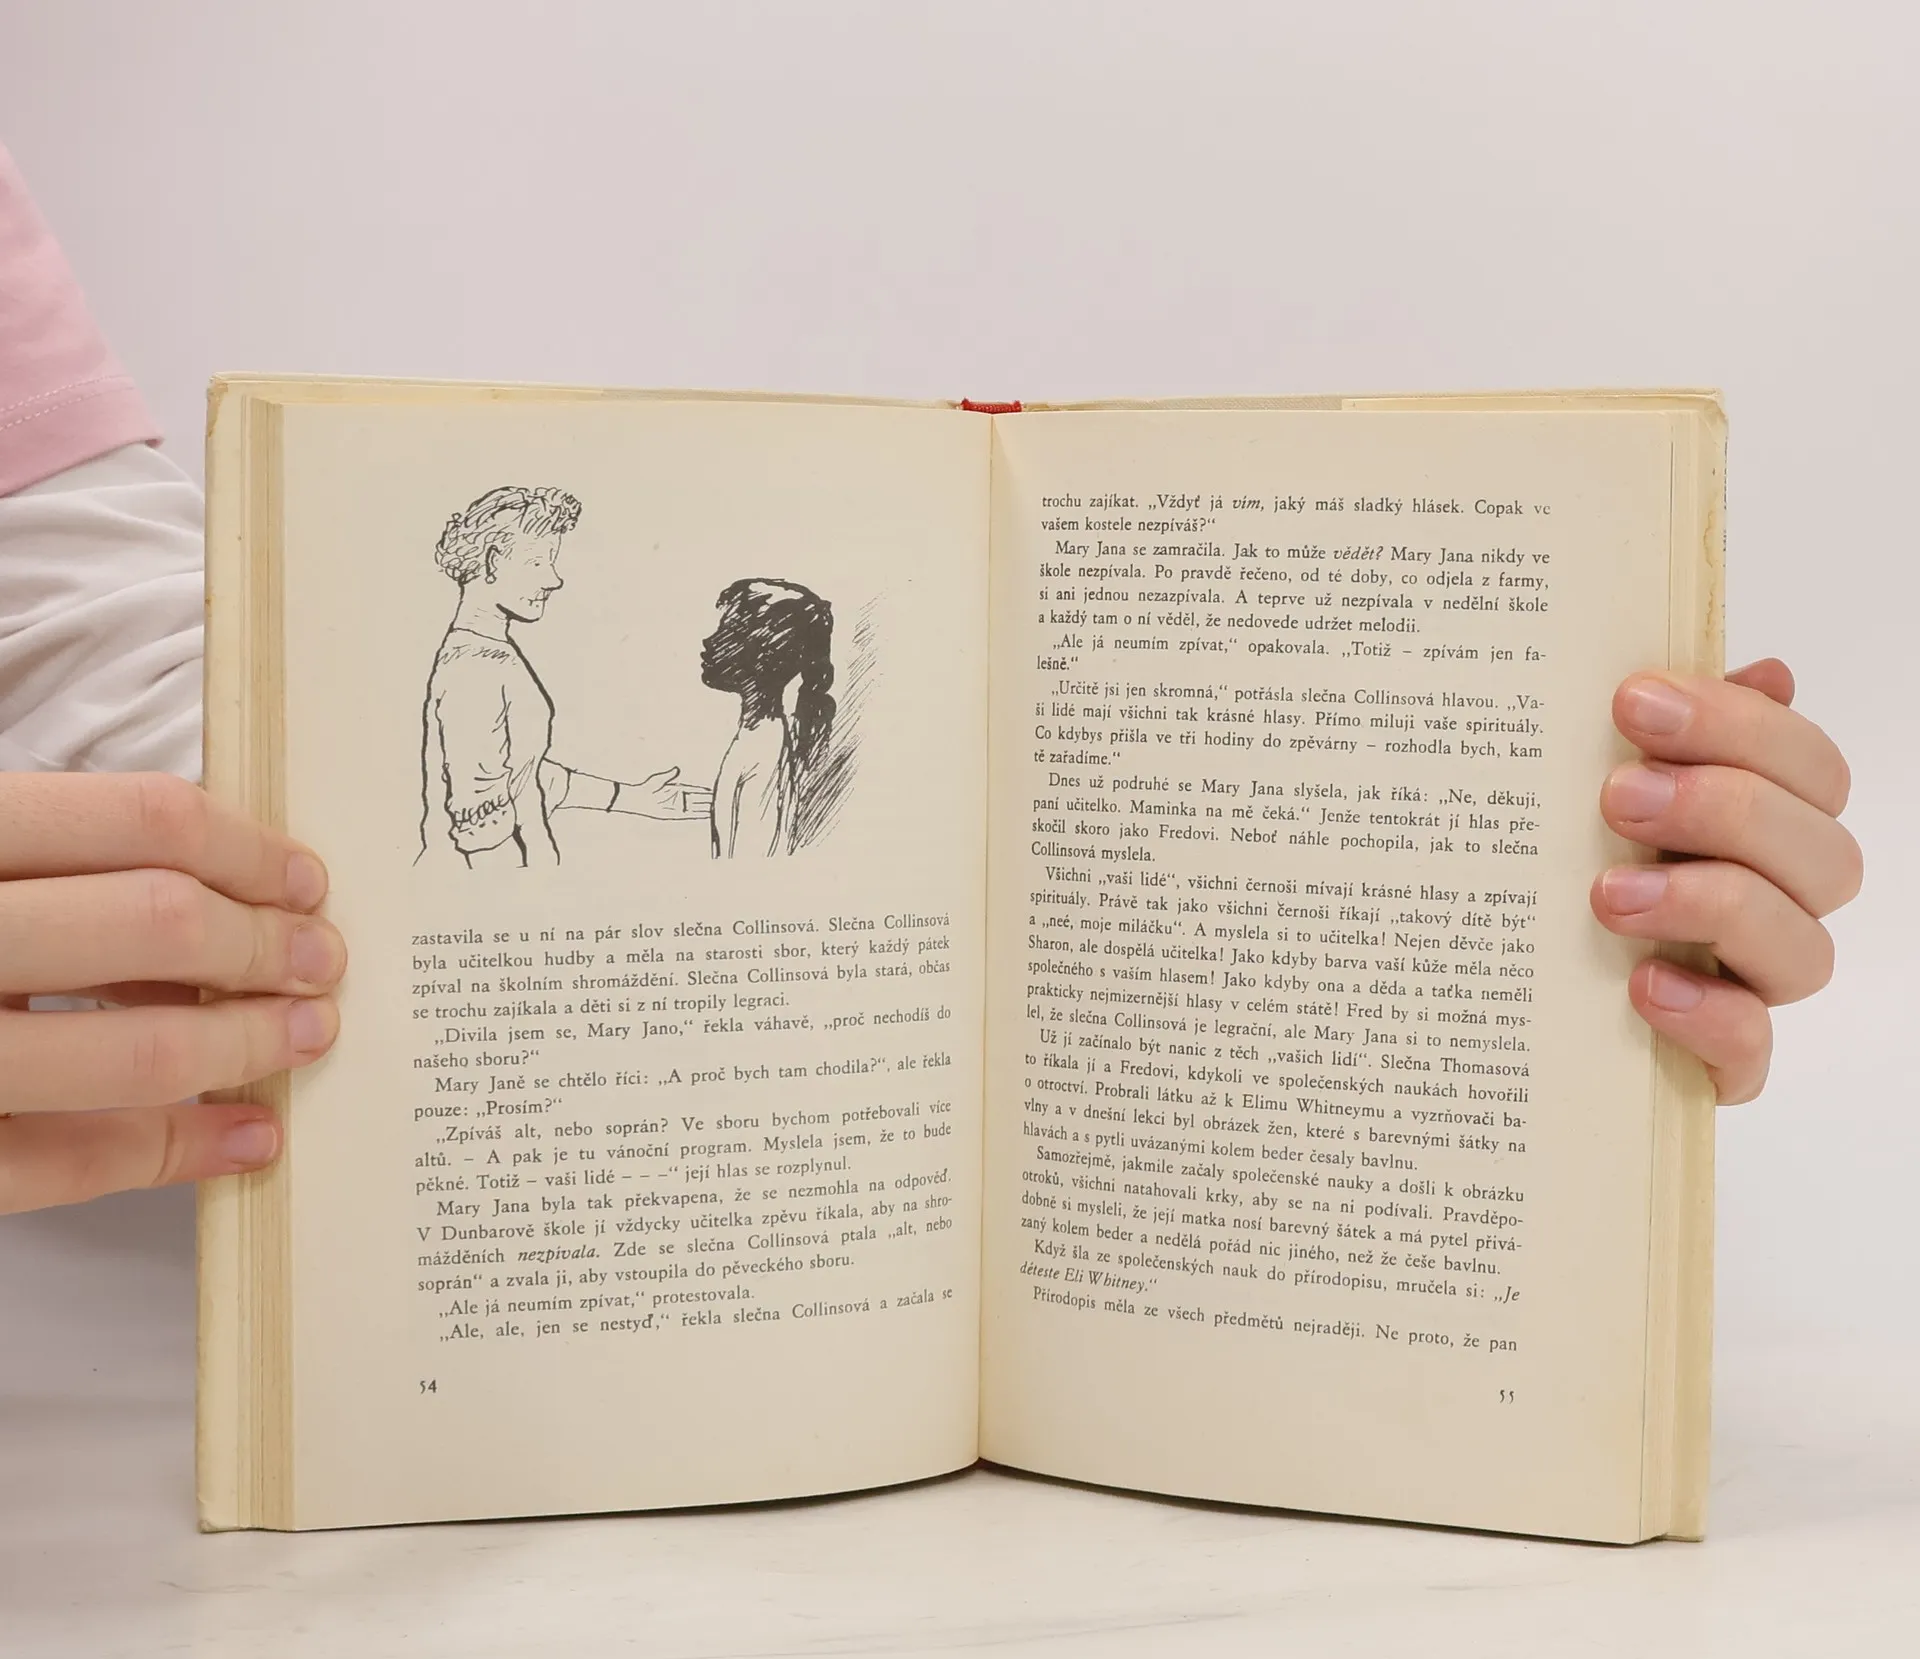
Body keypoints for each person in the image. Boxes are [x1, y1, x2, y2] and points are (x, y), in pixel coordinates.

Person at [0, 142, 1863, 1216]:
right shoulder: (492, 675)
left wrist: (1471, 911)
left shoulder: (612, 707)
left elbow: (88, 660)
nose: (572, 584)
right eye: (543, 559)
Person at [421, 486, 709, 866]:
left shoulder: (484, 654)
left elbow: (516, 773)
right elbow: (477, 825)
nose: (554, 580)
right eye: (537, 563)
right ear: (492, 563)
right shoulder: (477, 667)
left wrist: (629, 797)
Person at [699, 577, 836, 857]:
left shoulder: (762, 753)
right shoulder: (756, 741)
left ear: (761, 651)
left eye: (728, 632)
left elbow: (750, 871)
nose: (709, 640)